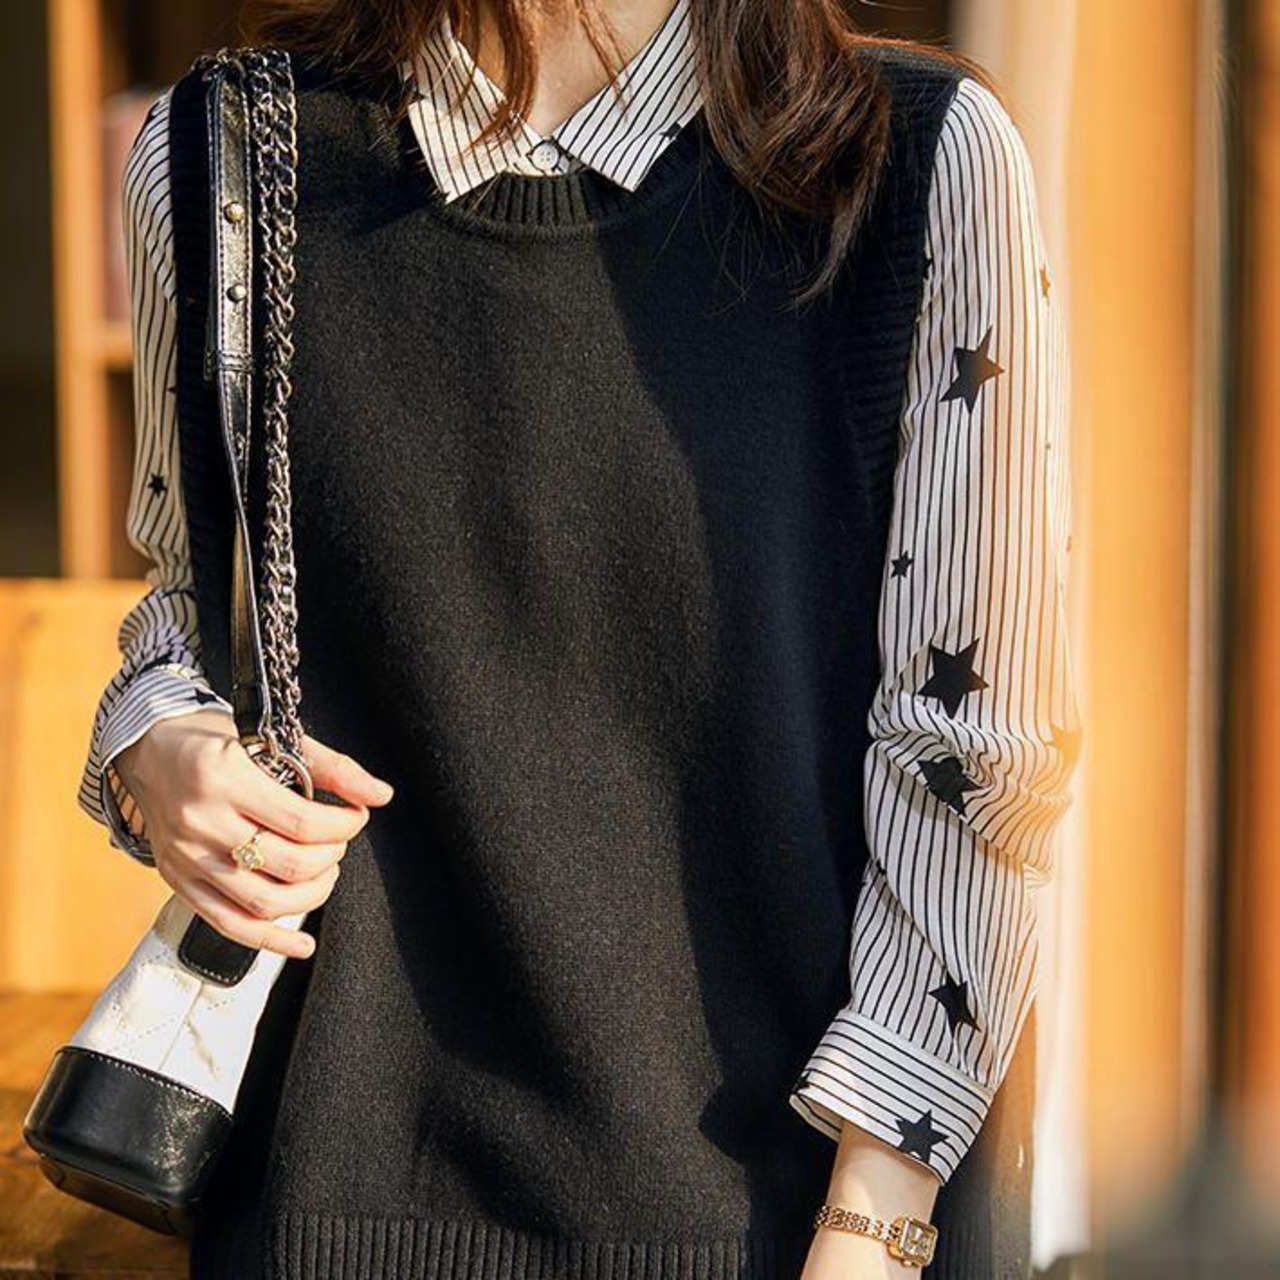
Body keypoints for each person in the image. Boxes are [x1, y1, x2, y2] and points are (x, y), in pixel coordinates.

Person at [78, 1, 1081, 1276]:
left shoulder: (916, 161)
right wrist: (158, 745)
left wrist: (869, 1229)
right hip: (331, 1204)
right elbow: (188, 595)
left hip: (796, 1226)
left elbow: (978, 750)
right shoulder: (228, 151)